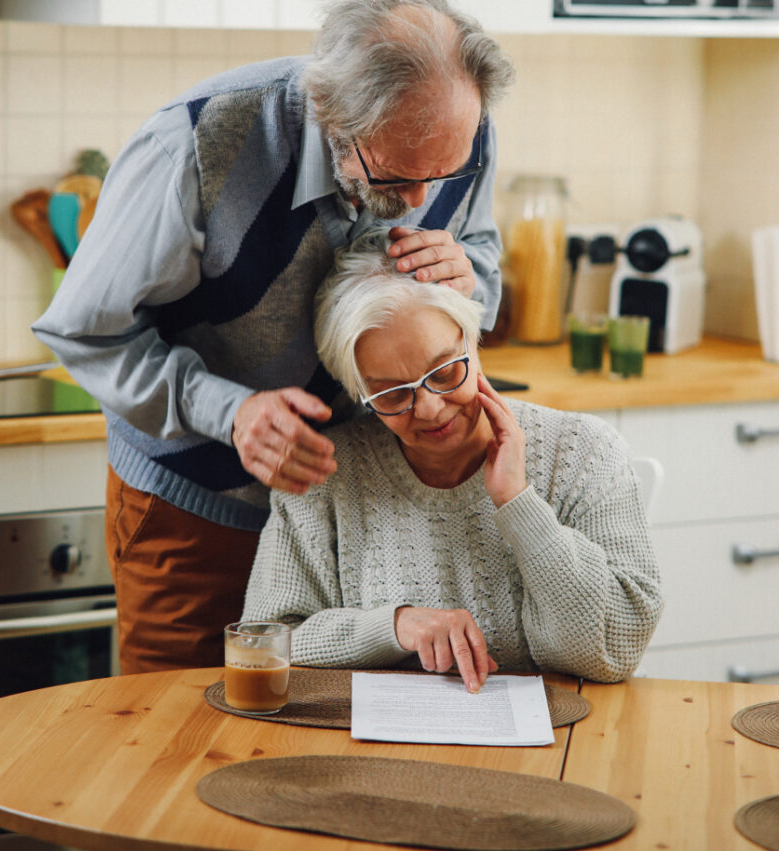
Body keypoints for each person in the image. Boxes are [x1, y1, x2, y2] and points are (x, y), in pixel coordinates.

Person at [31, 0, 513, 851]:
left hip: (362, 506)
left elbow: (475, 260)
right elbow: (83, 333)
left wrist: (472, 272)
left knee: (322, 774)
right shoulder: (201, 143)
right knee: (179, 782)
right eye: (394, 174)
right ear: (331, 111)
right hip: (196, 500)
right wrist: (228, 410)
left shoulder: (451, 133)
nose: (418, 201)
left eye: (439, 178)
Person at [244, 228, 663, 689]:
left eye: (445, 372)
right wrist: (394, 627)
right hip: (375, 752)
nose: (429, 408)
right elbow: (266, 641)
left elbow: (615, 649)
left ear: (472, 338)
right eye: (390, 394)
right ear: (358, 391)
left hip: (560, 744)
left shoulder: (585, 451)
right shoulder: (324, 472)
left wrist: (518, 504)